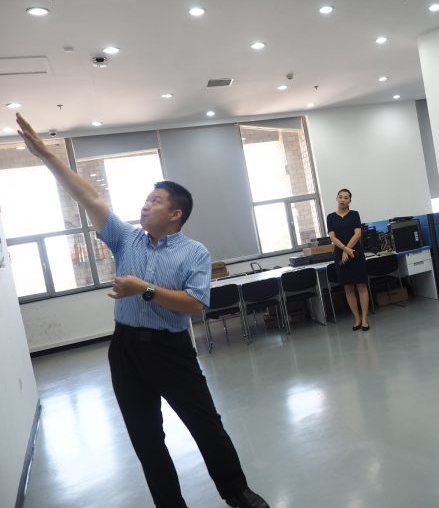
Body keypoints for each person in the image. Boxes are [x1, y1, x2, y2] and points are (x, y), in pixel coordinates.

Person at [15, 114, 270, 508]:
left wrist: (144, 289)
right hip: (125, 351)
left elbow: (195, 303)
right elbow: (89, 197)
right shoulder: (126, 239)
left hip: (171, 350)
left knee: (206, 426)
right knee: (146, 439)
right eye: (147, 199)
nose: (145, 205)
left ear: (175, 214)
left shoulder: (194, 253)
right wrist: (47, 156)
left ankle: (237, 493)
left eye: (155, 201)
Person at [326, 189, 370, 330]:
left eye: (346, 198)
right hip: (340, 254)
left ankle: (365, 318)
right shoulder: (330, 217)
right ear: (337, 198)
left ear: (350, 200)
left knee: (361, 286)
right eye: (340, 197)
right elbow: (332, 237)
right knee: (348, 288)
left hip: (356, 254)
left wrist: (348, 250)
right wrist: (345, 250)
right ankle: (357, 318)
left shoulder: (354, 214)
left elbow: (358, 234)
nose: (343, 200)